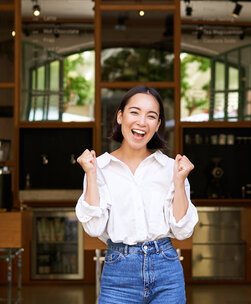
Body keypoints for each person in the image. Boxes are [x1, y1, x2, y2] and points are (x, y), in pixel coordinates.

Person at [75, 85, 198, 304]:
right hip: (118, 272)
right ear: (120, 116)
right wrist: (91, 174)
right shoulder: (98, 167)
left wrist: (179, 183)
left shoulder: (171, 168)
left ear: (158, 125)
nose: (142, 122)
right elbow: (94, 228)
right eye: (135, 112)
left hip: (166, 270)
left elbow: (182, 230)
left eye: (151, 116)